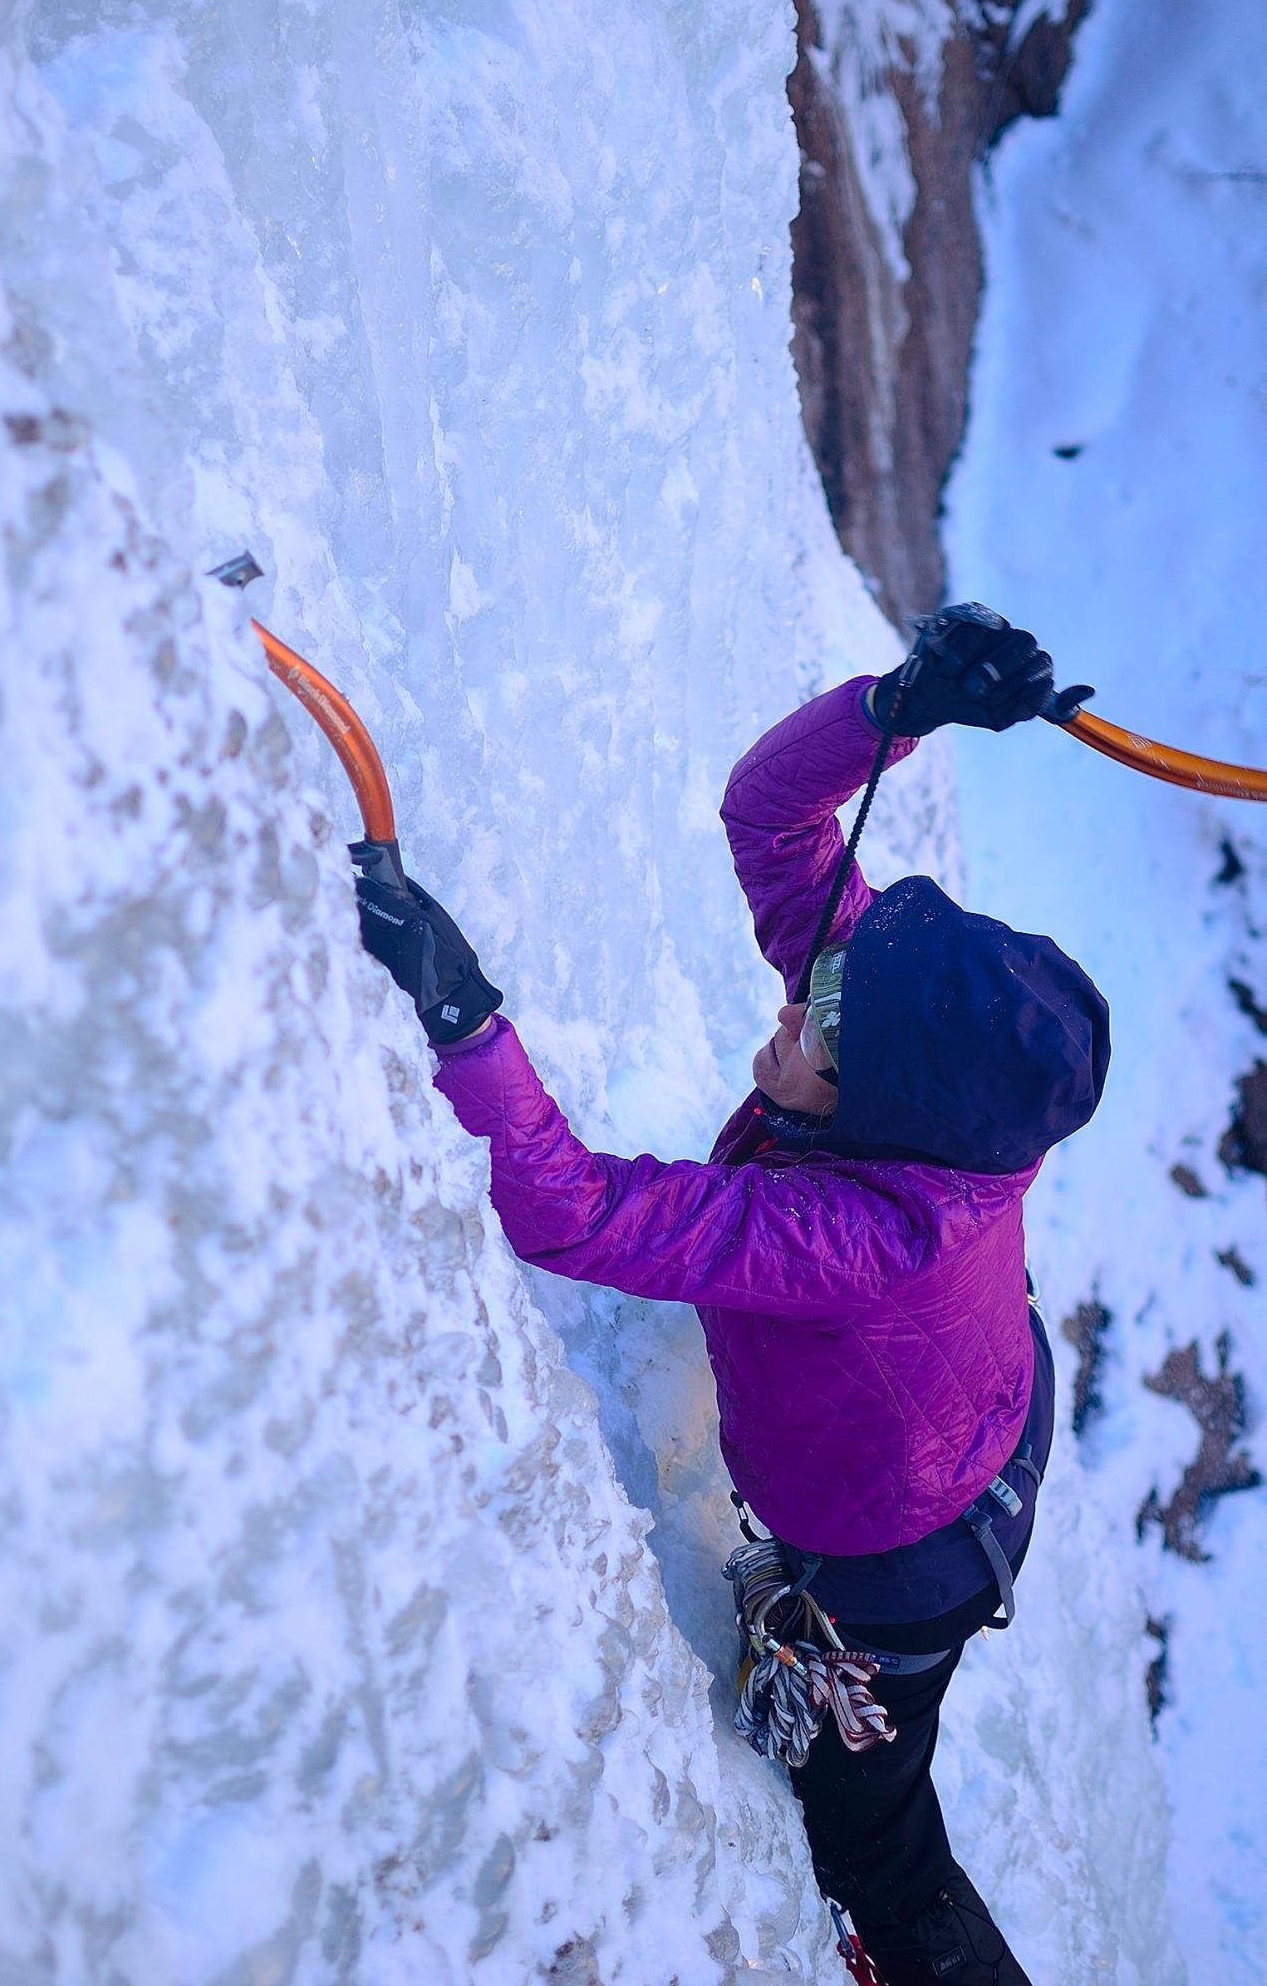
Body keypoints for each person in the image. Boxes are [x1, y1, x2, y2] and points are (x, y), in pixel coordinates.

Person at [353, 608, 1109, 1986]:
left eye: (825, 1024)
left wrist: (467, 1021)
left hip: (909, 1552)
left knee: (874, 1848)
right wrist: (901, 701)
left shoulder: (860, 1234)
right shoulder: (904, 1072)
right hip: (970, 1422)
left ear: (882, 1104)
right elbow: (766, 819)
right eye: (823, 986)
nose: (793, 1008)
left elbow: (571, 1212)